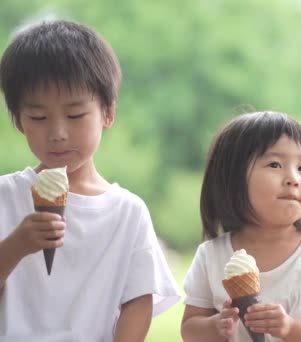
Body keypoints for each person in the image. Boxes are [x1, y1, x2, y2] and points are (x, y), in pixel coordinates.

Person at [0, 20, 180, 341]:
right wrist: (16, 246)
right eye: (38, 117)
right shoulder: (6, 195)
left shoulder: (127, 212)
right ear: (18, 120)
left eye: (75, 115)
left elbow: (138, 300)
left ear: (108, 113)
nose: (57, 133)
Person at [181, 111, 301, 342]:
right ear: (231, 179)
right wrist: (216, 326)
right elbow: (189, 329)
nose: (293, 178)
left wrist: (290, 328)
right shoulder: (211, 256)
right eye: (275, 164)